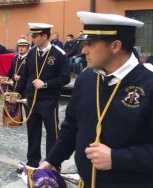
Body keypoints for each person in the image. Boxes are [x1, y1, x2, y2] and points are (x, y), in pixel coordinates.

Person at [39, 11, 153, 187]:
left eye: (90, 43)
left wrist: (117, 159)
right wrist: (52, 160)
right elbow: (71, 127)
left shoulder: (149, 84)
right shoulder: (86, 79)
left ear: (115, 46)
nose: (83, 50)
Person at [15, 23, 70, 168]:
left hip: (49, 100)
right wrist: (17, 93)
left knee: (52, 133)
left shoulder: (59, 54)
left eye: (35, 36)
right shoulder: (32, 52)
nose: (32, 38)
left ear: (45, 36)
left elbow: (65, 78)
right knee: (32, 132)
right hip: (31, 99)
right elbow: (25, 75)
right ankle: (32, 162)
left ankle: (52, 163)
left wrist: (45, 84)